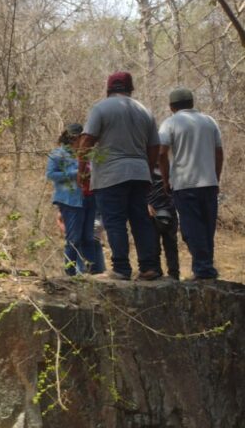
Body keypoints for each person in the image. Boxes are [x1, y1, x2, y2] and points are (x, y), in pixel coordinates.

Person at [77, 72, 161, 281]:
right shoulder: (145, 111)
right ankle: (149, 267)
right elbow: (155, 146)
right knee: (141, 221)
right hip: (139, 172)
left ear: (108, 88)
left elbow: (87, 141)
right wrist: (148, 171)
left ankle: (121, 269)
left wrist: (82, 170)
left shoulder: (101, 108)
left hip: (110, 174)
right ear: (130, 88)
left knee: (115, 221)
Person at [158, 88, 223, 280]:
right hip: (209, 183)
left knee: (191, 228)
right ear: (192, 102)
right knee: (206, 227)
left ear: (171, 106)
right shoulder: (209, 121)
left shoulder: (170, 123)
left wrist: (165, 179)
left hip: (185, 184)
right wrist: (215, 177)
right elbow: (219, 153)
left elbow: (162, 153)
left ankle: (203, 269)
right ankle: (205, 267)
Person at [46, 123, 104, 275]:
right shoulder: (58, 154)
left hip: (90, 198)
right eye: (83, 138)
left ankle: (92, 272)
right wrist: (75, 173)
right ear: (75, 138)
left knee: (88, 238)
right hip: (70, 200)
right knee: (74, 238)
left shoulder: (88, 154)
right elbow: (51, 175)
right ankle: (70, 273)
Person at [148, 168, 180, 280]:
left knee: (170, 243)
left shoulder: (171, 165)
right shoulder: (147, 166)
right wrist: (146, 203)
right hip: (152, 209)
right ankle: (157, 271)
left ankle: (173, 273)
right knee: (154, 244)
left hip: (169, 208)